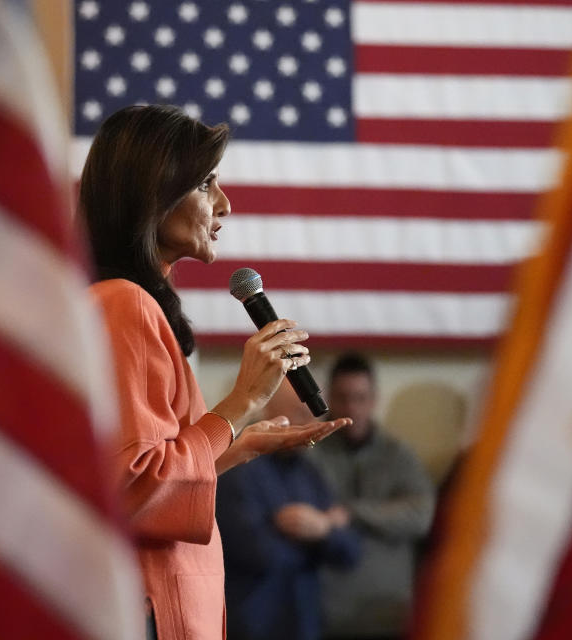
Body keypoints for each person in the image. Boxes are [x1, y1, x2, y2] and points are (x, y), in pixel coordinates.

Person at [78, 104, 351, 640]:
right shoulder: (124, 304)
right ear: (153, 193)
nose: (225, 204)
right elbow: (135, 487)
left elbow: (158, 475)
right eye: (206, 184)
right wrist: (239, 403)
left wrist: (240, 444)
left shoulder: (131, 303)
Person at [216, 381, 361, 640]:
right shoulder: (238, 465)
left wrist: (322, 529)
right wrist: (319, 537)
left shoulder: (311, 471)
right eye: (298, 413)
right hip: (252, 624)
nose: (308, 424)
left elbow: (350, 551)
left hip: (305, 623)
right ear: (270, 410)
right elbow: (258, 553)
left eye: (312, 415)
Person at [307, 353, 436, 640]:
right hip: (325, 616)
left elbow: (421, 516)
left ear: (374, 399)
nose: (352, 408)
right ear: (328, 397)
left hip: (389, 616)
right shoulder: (309, 453)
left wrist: (353, 512)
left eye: (360, 398)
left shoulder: (398, 455)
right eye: (342, 397)